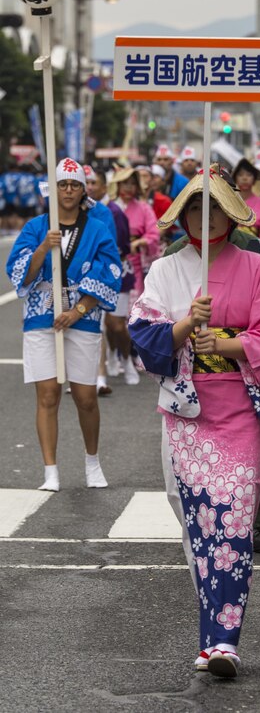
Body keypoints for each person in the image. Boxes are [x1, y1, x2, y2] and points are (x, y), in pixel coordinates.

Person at [128, 165, 260, 678]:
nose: (206, 216)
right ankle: (210, 635)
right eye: (196, 207)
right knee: (198, 524)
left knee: (234, 524)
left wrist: (222, 342)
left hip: (239, 410)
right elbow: (143, 335)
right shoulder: (166, 270)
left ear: (231, 214)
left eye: (215, 207)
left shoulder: (258, 268)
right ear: (183, 216)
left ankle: (223, 641)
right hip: (188, 413)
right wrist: (184, 326)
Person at [5, 158, 121, 491]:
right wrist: (44, 247)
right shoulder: (36, 227)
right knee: (48, 395)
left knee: (85, 396)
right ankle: (50, 471)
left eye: (74, 184)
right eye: (62, 184)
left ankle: (92, 461)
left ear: (84, 189)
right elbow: (20, 275)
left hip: (81, 314)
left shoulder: (98, 228)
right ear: (52, 190)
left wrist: (79, 310)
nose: (68, 190)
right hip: (41, 313)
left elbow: (109, 272)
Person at [86, 168, 137, 390]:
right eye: (85, 183)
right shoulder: (80, 210)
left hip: (118, 273)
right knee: (96, 325)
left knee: (116, 325)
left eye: (93, 183)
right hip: (89, 276)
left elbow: (123, 248)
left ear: (104, 187)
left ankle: (126, 358)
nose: (88, 187)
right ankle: (98, 375)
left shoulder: (114, 212)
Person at [109, 167, 160, 302]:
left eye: (133, 184)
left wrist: (140, 242)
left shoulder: (144, 208)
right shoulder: (109, 207)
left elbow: (153, 234)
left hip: (134, 264)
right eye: (125, 183)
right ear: (118, 184)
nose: (129, 187)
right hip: (110, 260)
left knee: (132, 307)